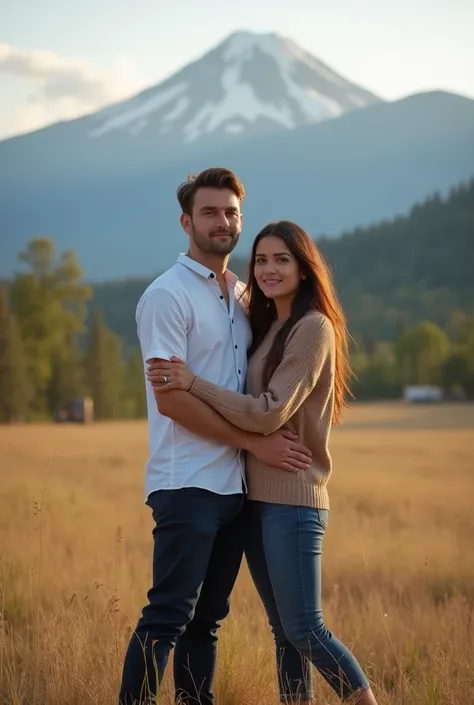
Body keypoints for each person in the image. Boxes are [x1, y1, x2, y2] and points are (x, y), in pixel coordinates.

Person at [147, 220, 379, 704]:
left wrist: (192, 383)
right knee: (284, 634)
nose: (269, 269)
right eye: (261, 260)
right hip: (255, 498)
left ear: (305, 268)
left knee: (305, 628)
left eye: (282, 259)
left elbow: (270, 409)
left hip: (293, 499)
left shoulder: (313, 328)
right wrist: (228, 282)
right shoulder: (269, 324)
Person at [118, 169, 314, 705]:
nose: (222, 222)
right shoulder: (167, 296)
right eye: (209, 212)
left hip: (234, 489)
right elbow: (171, 399)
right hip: (187, 482)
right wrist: (253, 442)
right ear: (187, 222)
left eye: (231, 212)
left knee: (207, 623)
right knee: (168, 615)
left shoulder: (244, 294)